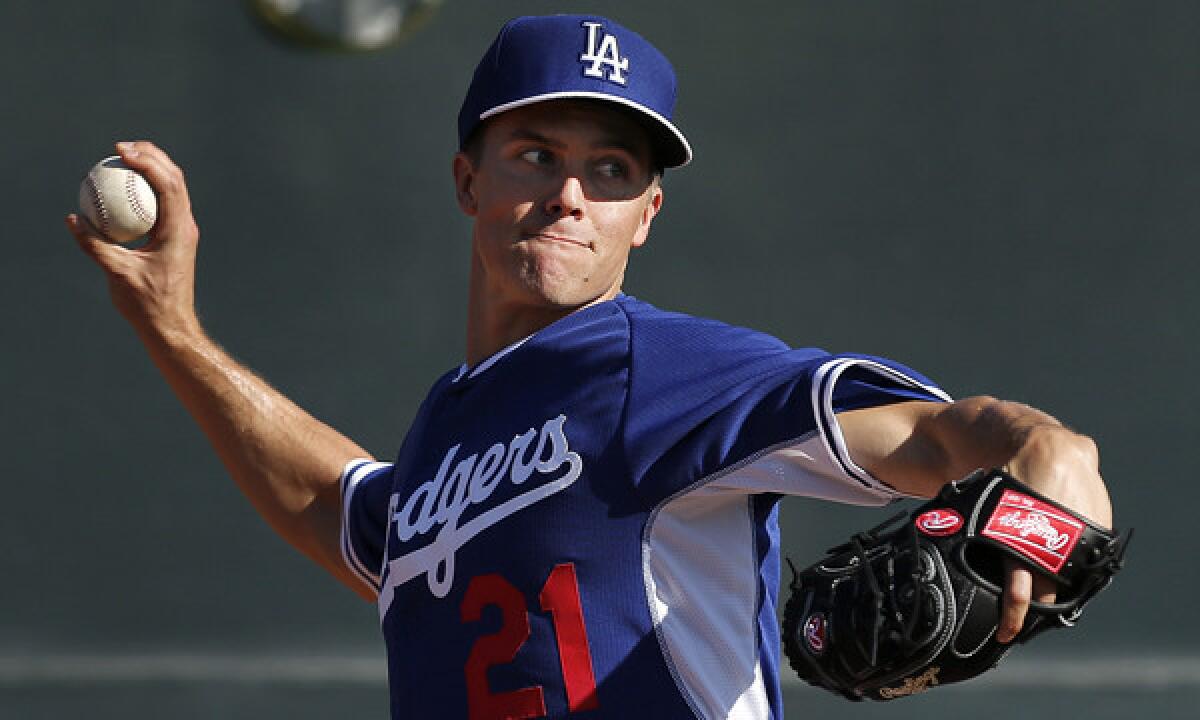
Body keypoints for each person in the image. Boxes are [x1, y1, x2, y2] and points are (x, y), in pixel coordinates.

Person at [67, 13, 1113, 720]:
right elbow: (337, 506)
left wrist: (1043, 492)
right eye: (539, 154)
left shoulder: (660, 370)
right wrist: (172, 326)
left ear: (644, 217)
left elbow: (959, 440)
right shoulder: (450, 432)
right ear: (468, 178)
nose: (573, 194)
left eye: (611, 171)